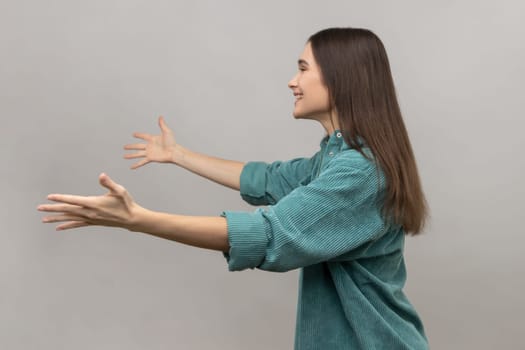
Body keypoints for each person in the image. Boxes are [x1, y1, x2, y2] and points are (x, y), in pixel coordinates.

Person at [38, 27, 429, 349]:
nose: (292, 81)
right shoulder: (337, 157)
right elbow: (269, 180)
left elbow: (269, 236)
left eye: (303, 68)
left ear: (340, 77)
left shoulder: (360, 173)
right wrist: (178, 155)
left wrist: (138, 220)